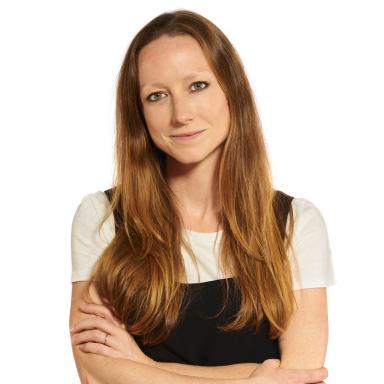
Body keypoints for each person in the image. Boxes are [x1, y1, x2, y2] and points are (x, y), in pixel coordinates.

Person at [69, 9, 336, 384]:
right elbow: (95, 373)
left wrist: (143, 366)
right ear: (139, 113)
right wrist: (250, 377)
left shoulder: (295, 222)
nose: (181, 114)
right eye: (157, 96)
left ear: (231, 90)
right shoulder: (102, 216)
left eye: (197, 86)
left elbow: (301, 377)